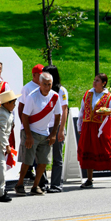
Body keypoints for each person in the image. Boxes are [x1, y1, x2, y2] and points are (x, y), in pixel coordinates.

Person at [15, 72, 62, 196]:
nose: (47, 87)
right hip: (31, 132)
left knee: (43, 162)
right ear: (40, 84)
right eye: (45, 84)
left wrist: (53, 134)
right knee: (28, 161)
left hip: (45, 133)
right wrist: (28, 135)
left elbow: (58, 116)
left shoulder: (55, 96)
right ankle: (19, 184)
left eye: (49, 84)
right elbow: (25, 116)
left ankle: (35, 186)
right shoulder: (32, 96)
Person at [77, 73, 111, 189]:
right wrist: (79, 126)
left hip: (103, 127)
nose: (94, 82)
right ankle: (89, 179)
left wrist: (108, 111)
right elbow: (82, 111)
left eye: (97, 81)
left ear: (103, 83)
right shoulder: (87, 94)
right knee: (89, 149)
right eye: (94, 80)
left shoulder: (109, 97)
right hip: (89, 127)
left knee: (107, 150)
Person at [0, 91, 20, 202]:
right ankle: (0, 193)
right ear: (6, 103)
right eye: (13, 103)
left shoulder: (4, 111)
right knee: (0, 170)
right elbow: (1, 132)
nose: (14, 105)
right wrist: (7, 145)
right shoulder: (2, 113)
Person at [42, 65, 68, 193]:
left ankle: (56, 184)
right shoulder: (41, 90)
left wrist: (61, 129)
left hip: (56, 127)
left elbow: (64, 110)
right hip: (43, 127)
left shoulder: (61, 90)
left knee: (57, 157)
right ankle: (42, 184)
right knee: (41, 156)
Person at [18, 64, 43, 180]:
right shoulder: (27, 88)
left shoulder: (44, 87)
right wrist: (24, 124)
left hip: (40, 125)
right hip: (29, 125)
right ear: (34, 75)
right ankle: (26, 173)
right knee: (28, 151)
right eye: (40, 75)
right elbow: (21, 107)